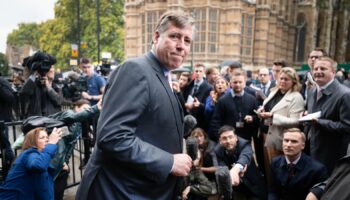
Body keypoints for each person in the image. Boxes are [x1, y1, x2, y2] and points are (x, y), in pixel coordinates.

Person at [76, 11, 194, 199]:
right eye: (174, 36)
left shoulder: (163, 75)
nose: (181, 46)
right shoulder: (136, 70)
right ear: (156, 37)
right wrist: (169, 162)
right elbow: (113, 136)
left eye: (187, 40)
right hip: (120, 191)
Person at [257, 67, 305, 183]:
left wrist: (273, 117)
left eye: (286, 79)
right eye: (281, 78)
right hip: (266, 134)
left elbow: (296, 121)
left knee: (279, 172)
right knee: (268, 168)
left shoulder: (296, 97)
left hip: (280, 138)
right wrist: (261, 109)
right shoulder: (274, 91)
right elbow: (268, 106)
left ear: (293, 81)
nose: (282, 81)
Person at [304, 56, 350, 173]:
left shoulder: (344, 95)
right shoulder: (312, 90)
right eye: (316, 69)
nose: (318, 71)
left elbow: (347, 127)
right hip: (310, 148)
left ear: (333, 72)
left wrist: (319, 122)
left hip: (331, 154)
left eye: (323, 68)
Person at [0, 127, 62, 199]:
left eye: (47, 137)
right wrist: (51, 143)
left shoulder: (41, 156)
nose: (47, 140)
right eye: (42, 138)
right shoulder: (29, 154)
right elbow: (38, 165)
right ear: (32, 141)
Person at [269, 128, 328, 200]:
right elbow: (272, 190)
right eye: (286, 140)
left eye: (294, 141)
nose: (288, 145)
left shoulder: (317, 169)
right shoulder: (275, 162)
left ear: (303, 146)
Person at [214, 125, 267, 200]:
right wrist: (230, 175)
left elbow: (245, 157)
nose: (228, 141)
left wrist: (235, 170)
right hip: (235, 186)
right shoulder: (217, 151)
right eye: (224, 138)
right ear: (220, 141)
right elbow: (221, 168)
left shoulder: (245, 144)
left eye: (230, 137)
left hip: (253, 184)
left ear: (236, 138)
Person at [210, 71, 259, 142]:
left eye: (240, 82)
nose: (238, 84)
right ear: (230, 84)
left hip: (246, 139)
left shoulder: (252, 99)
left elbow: (257, 117)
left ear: (245, 83)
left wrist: (252, 118)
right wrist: (219, 138)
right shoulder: (222, 100)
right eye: (235, 82)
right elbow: (216, 121)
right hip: (228, 140)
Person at [20, 51, 63, 118]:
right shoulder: (34, 85)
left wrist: (48, 87)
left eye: (52, 67)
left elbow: (59, 101)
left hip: (54, 122)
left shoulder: (56, 86)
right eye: (50, 67)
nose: (52, 70)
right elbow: (24, 93)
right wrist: (34, 74)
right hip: (37, 124)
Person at [184, 63, 212, 130]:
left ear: (204, 73)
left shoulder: (208, 88)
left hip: (200, 121)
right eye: (196, 71)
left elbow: (208, 107)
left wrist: (199, 105)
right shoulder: (188, 85)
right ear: (193, 72)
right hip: (187, 118)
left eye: (200, 71)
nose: (198, 73)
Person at [0, 76, 15, 178]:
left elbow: (10, 98)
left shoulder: (2, 81)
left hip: (2, 122)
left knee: (6, 149)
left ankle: (6, 175)